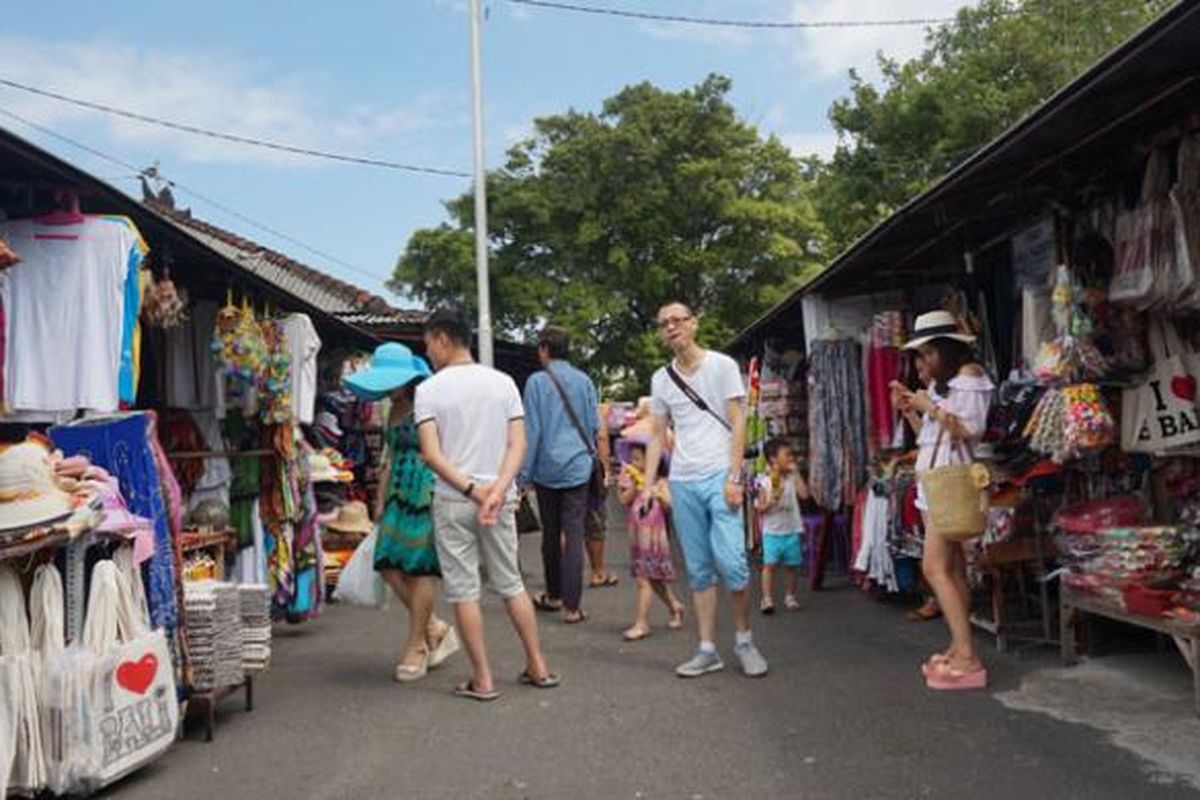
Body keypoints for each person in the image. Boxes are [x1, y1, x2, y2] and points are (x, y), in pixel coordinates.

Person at [415, 308, 559, 701]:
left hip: (453, 501)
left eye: (429, 344)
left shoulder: (428, 390)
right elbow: (518, 444)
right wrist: (496, 490)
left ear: (443, 339)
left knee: (464, 591)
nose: (428, 353)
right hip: (500, 500)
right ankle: (538, 666)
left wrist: (472, 491)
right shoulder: (504, 383)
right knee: (511, 584)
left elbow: (431, 454)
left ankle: (483, 680)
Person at [643, 301, 768, 678]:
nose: (671, 327)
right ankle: (707, 648)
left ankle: (744, 640)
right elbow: (657, 433)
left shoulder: (722, 366)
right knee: (698, 570)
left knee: (732, 563)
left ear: (693, 324)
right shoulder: (661, 378)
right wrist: (649, 484)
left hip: (719, 474)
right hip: (682, 479)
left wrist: (734, 477)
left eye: (678, 320)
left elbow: (738, 420)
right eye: (664, 323)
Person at [890, 310, 994, 691]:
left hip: (950, 483)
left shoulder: (970, 380)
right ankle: (959, 645)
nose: (922, 363)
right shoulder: (944, 387)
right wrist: (913, 410)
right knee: (951, 569)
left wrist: (927, 407)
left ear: (945, 350)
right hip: (937, 482)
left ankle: (967, 655)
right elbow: (932, 437)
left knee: (934, 569)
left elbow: (968, 430)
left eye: (927, 354)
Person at [343, 343, 460, 683]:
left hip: (425, 489)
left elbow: (445, 450)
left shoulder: (429, 402)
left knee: (418, 568)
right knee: (388, 564)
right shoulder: (390, 409)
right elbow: (389, 459)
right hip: (397, 491)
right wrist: (379, 499)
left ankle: (417, 646)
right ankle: (435, 627)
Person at [518, 325, 603, 624]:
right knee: (575, 533)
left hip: (546, 471)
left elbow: (533, 431)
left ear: (544, 349)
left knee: (551, 535)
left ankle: (553, 595)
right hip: (579, 467)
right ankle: (572, 607)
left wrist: (523, 477)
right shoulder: (584, 381)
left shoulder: (537, 383)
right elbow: (594, 427)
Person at [616, 439, 685, 641]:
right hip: (637, 535)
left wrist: (656, 494)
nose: (634, 463)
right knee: (654, 578)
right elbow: (622, 500)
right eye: (632, 459)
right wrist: (634, 487)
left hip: (654, 536)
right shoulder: (629, 477)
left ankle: (642, 622)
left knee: (644, 578)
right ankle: (675, 606)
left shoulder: (661, 482)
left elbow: (670, 506)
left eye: (639, 459)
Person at [754, 439, 810, 615]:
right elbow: (760, 508)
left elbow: (804, 494)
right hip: (772, 532)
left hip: (791, 529)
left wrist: (797, 474)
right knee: (769, 565)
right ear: (773, 459)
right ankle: (767, 598)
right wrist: (771, 501)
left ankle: (790, 595)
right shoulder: (765, 481)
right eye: (787, 455)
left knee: (791, 566)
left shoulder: (792, 477)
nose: (791, 458)